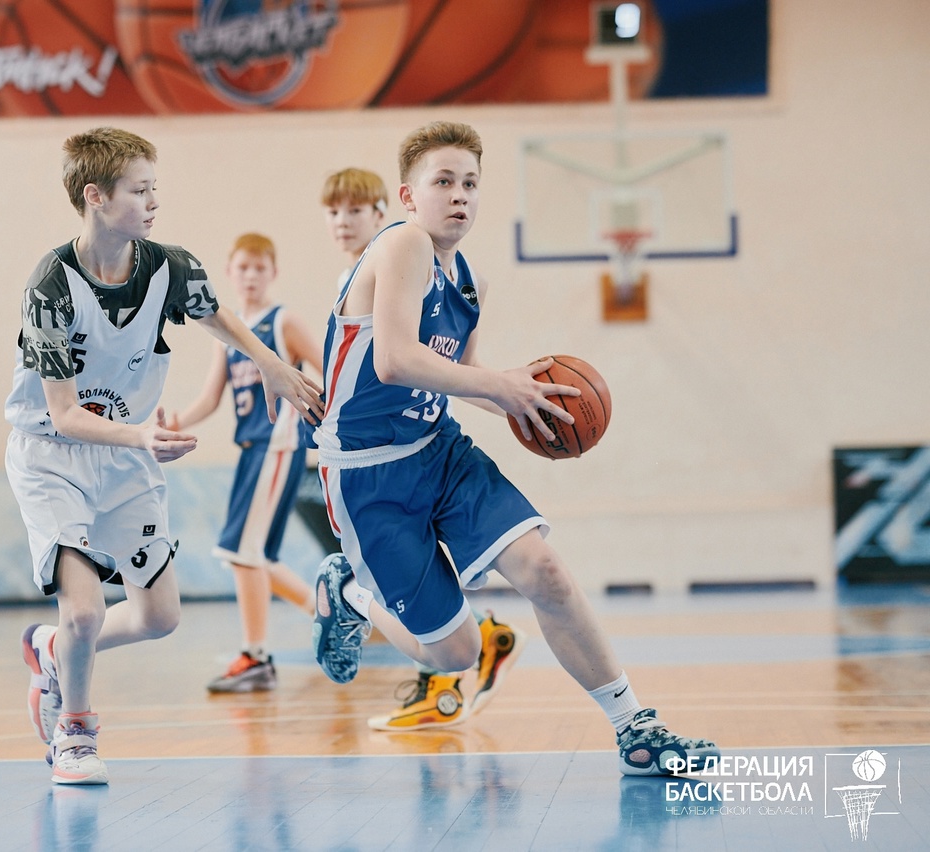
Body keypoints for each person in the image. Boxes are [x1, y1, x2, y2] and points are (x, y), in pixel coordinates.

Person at [310, 121, 719, 775]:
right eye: (443, 181)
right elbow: (394, 360)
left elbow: (461, 375)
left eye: (471, 183)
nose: (460, 195)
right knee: (456, 655)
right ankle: (351, 594)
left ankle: (635, 728)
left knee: (545, 572)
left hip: (439, 451)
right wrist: (498, 384)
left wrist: (523, 400)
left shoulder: (468, 279)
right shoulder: (403, 244)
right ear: (408, 196)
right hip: (368, 475)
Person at [4, 127, 324, 785]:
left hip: (123, 455)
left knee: (160, 616)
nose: (154, 203)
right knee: (85, 609)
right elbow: (64, 413)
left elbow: (216, 315)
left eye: (155, 189)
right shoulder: (51, 286)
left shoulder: (167, 267)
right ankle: (75, 732)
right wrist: (143, 436)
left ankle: (52, 648)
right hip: (53, 456)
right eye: (139, 191)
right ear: (95, 196)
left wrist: (268, 361)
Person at [321, 167, 526, 732]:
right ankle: (462, 652)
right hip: (366, 457)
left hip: (425, 446)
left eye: (356, 210)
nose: (343, 222)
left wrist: (519, 402)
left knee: (438, 571)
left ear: (389, 208)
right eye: (334, 212)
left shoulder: (429, 263)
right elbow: (361, 366)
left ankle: (454, 664)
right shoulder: (371, 272)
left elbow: (455, 370)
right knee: (417, 582)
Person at [166, 233, 319, 693]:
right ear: (229, 273)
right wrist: (175, 422)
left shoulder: (284, 321)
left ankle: (256, 656)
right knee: (256, 558)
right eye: (243, 268)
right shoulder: (228, 331)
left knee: (242, 553)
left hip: (279, 444)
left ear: (273, 273)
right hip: (252, 449)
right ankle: (332, 612)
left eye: (259, 268)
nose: (251, 276)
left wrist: (329, 424)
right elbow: (212, 397)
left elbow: (329, 371)